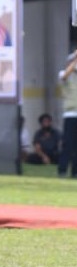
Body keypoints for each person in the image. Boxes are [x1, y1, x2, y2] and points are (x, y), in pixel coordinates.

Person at [58, 49, 77, 178]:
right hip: (70, 115)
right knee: (68, 145)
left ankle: (75, 172)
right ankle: (62, 170)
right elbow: (65, 75)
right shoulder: (63, 74)